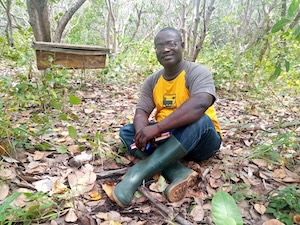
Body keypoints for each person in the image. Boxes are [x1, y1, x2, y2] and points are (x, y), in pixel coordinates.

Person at [112, 27, 222, 207]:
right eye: (159, 46)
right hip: (169, 137)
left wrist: (156, 128)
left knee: (201, 120)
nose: (165, 49)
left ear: (182, 45)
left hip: (202, 140)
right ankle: (178, 171)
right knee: (127, 131)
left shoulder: (197, 72)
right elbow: (141, 112)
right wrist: (143, 133)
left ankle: (137, 174)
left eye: (171, 44)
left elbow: (201, 103)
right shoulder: (153, 81)